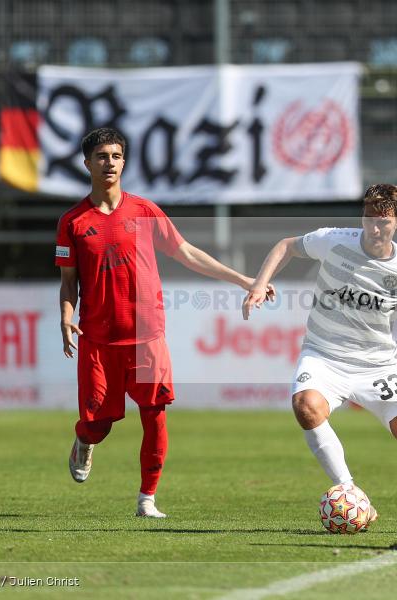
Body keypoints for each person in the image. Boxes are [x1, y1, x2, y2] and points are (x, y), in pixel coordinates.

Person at [242, 183, 397, 537]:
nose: (374, 227)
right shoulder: (335, 240)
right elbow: (286, 246)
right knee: (306, 407)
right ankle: (350, 491)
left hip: (377, 368)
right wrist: (260, 284)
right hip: (324, 356)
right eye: (369, 218)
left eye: (383, 221)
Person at [56, 127, 269, 518]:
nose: (110, 163)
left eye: (117, 156)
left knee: (155, 416)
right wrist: (67, 316)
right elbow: (68, 282)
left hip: (147, 336)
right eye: (102, 156)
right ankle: (83, 441)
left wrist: (244, 280)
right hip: (99, 340)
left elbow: (186, 252)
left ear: (124, 162)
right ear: (87, 163)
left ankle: (147, 500)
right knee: (98, 426)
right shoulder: (72, 222)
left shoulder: (144, 211)